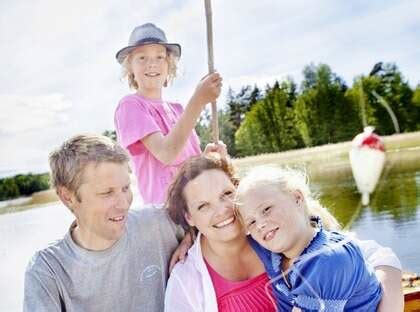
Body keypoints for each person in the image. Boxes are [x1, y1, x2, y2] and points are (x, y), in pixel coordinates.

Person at [164, 155, 403, 312]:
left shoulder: (275, 231)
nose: (222, 210)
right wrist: (189, 238)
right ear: (189, 218)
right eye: (203, 206)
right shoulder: (187, 279)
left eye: (227, 194)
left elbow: (379, 257)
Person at [23, 134, 188, 312]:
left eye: (125, 188)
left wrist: (192, 236)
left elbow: (212, 221)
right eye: (107, 193)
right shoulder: (47, 271)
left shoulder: (160, 222)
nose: (124, 204)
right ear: (68, 197)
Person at [235, 166, 383, 311]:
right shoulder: (271, 250)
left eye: (266, 209)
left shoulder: (328, 260)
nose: (260, 224)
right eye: (251, 222)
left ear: (297, 198)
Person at [114, 23, 223, 204]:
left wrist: (206, 158)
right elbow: (167, 153)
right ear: (130, 67)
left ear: (169, 64)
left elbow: (186, 163)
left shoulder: (178, 109)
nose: (152, 64)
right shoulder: (130, 106)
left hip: (199, 203)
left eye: (159, 57)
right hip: (166, 212)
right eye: (142, 58)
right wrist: (198, 100)